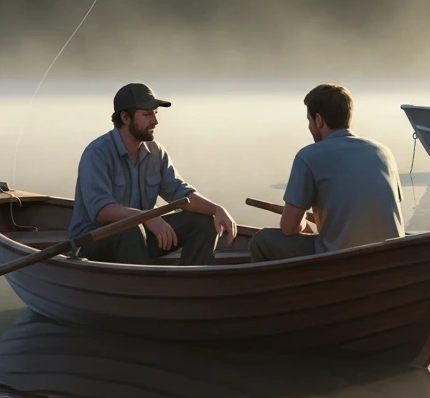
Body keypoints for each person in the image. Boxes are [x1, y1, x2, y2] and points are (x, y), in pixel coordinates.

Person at [69, 81, 236, 265]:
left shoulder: (156, 153)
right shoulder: (97, 153)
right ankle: (143, 288)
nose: (155, 121)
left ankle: (192, 284)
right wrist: (147, 217)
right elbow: (101, 211)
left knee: (204, 221)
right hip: (92, 241)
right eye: (147, 114)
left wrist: (217, 209)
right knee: (130, 230)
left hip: (140, 234)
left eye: (155, 113)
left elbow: (181, 193)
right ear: (125, 118)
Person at [248, 83, 404, 263]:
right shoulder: (384, 153)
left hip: (340, 260)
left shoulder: (308, 156)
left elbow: (288, 227)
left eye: (309, 120)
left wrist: (303, 224)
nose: (309, 127)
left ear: (319, 120)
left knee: (261, 241)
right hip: (391, 259)